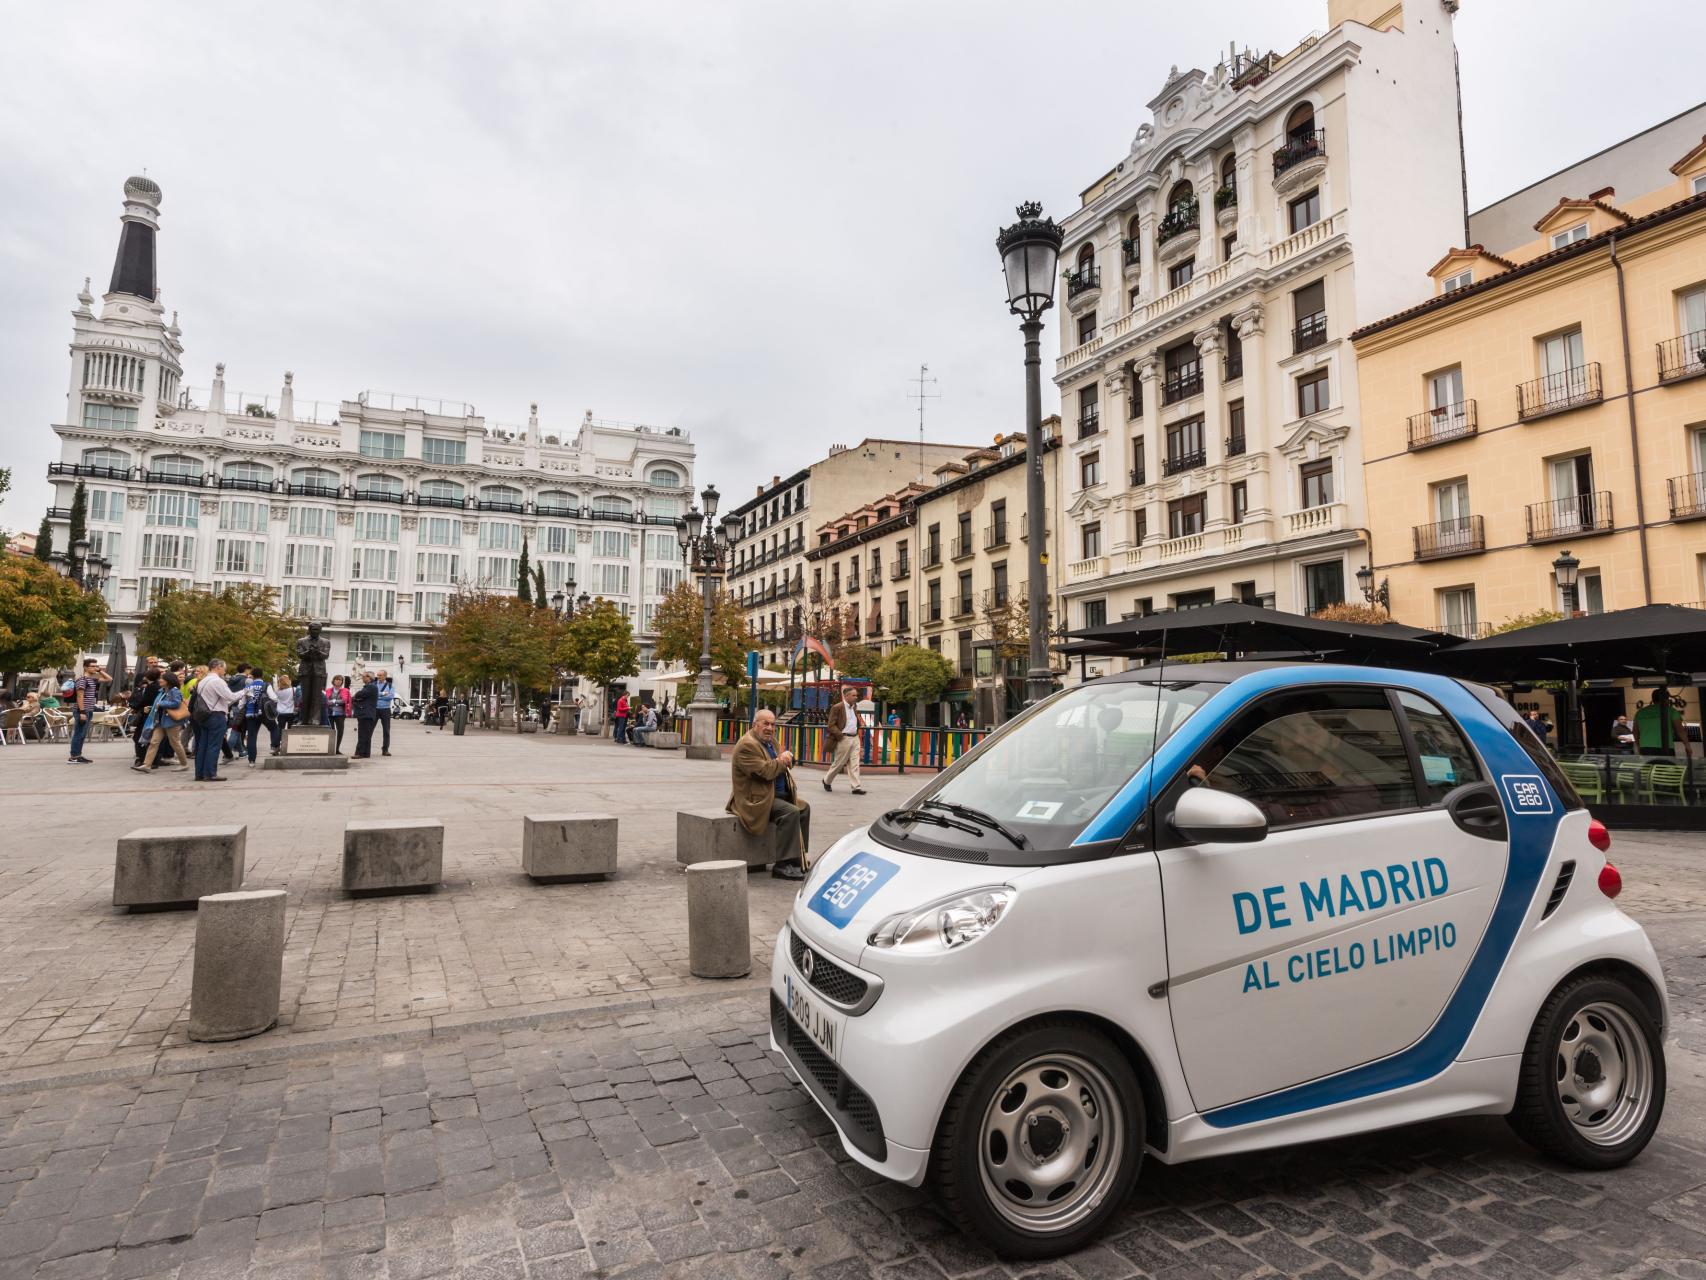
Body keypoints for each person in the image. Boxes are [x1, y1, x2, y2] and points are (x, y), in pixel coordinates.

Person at [727, 708, 809, 881]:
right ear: (755, 724)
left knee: (804, 808)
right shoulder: (747, 745)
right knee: (790, 812)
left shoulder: (770, 742)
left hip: (775, 794)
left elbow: (782, 763)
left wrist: (787, 758)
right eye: (766, 723)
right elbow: (765, 771)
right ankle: (783, 864)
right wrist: (782, 760)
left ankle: (798, 857)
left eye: (773, 724)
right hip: (756, 798)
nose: (770, 728)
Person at [192, 659, 247, 782]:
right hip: (216, 716)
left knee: (203, 745)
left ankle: (199, 773)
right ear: (217, 667)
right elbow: (230, 697)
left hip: (204, 715)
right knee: (214, 745)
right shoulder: (217, 681)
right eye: (224, 668)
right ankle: (210, 773)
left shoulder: (203, 681)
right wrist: (245, 691)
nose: (225, 670)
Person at [133, 672, 191, 772]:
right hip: (160, 721)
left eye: (162, 679)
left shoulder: (174, 691)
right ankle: (147, 765)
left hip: (171, 722)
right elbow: (159, 705)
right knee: (153, 742)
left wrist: (162, 703)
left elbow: (176, 703)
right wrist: (153, 707)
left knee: (175, 743)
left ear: (168, 681)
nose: (160, 680)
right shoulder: (162, 691)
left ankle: (184, 764)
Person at [822, 683, 867, 795]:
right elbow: (831, 725)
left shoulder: (855, 707)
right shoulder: (837, 707)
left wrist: (858, 729)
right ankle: (827, 780)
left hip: (855, 738)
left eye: (856, 695)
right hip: (844, 738)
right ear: (846, 696)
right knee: (839, 763)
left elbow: (853, 721)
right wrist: (840, 735)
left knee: (855, 763)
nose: (856, 697)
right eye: (853, 695)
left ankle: (856, 787)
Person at [67, 657, 105, 764]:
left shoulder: (92, 680)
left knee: (82, 734)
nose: (95, 668)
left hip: (89, 709)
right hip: (82, 710)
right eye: (92, 666)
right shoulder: (82, 680)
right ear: (85, 667)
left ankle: (78, 755)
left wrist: (100, 670)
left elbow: (109, 679)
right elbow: (80, 697)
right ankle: (74, 756)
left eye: (95, 666)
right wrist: (82, 712)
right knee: (79, 733)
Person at [239, 668, 275, 766]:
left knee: (251, 737)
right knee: (274, 728)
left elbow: (241, 703)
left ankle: (251, 761)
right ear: (262, 675)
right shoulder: (266, 685)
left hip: (250, 714)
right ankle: (275, 746)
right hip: (263, 713)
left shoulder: (248, 686)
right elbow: (273, 698)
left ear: (253, 676)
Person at [351, 672, 380, 758]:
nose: (362, 678)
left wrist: (356, 697)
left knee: (362, 734)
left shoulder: (370, 687)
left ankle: (359, 753)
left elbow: (359, 694)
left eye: (363, 677)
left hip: (365, 713)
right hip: (368, 713)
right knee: (366, 734)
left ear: (369, 678)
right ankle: (366, 753)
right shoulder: (372, 687)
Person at [326, 675, 352, 751]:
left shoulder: (345, 690)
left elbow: (344, 700)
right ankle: (330, 748)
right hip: (330, 714)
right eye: (336, 679)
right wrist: (337, 702)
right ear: (333, 681)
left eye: (340, 680)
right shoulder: (328, 690)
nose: (338, 681)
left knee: (340, 731)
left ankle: (337, 749)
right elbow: (326, 701)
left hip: (340, 714)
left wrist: (333, 701)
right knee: (331, 731)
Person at [273, 674, 297, 751]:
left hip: (281, 713)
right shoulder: (293, 689)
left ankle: (276, 746)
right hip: (291, 712)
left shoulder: (277, 691)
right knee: (290, 730)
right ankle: (289, 746)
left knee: (280, 730)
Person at [375, 669, 396, 756]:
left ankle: (385, 749)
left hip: (385, 709)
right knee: (369, 730)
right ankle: (366, 748)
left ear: (385, 676)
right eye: (378, 675)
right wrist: (383, 694)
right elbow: (373, 695)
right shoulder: (373, 684)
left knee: (386, 731)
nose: (378, 677)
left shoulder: (390, 686)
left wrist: (378, 696)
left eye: (380, 675)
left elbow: (390, 696)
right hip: (375, 709)